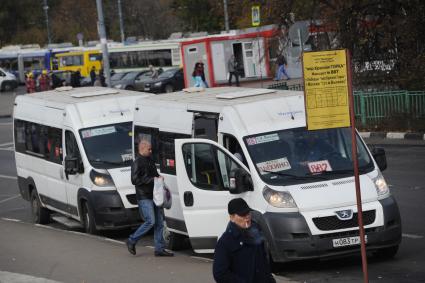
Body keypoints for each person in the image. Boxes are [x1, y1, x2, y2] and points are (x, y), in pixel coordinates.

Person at [126, 140, 173, 257]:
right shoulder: (137, 162)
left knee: (159, 223)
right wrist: (152, 179)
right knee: (151, 221)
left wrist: (158, 177)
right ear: (142, 149)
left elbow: (154, 174)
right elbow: (134, 180)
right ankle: (132, 240)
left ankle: (159, 249)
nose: (151, 151)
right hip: (144, 196)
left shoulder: (150, 160)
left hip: (155, 195)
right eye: (149, 149)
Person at [213, 198, 276, 283]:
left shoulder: (256, 234)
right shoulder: (225, 242)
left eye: (248, 213)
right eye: (242, 215)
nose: (247, 217)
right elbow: (220, 274)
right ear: (232, 218)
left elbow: (264, 264)